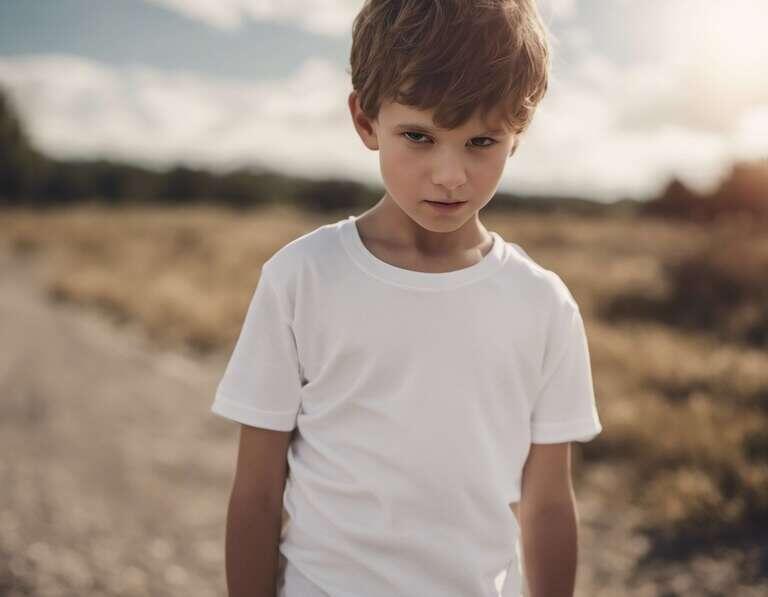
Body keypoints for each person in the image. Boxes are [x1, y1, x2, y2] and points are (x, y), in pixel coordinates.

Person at [210, 0, 604, 595]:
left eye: (481, 141)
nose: (450, 175)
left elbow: (548, 500)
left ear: (516, 136)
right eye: (419, 136)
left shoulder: (543, 304)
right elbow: (257, 492)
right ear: (365, 121)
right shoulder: (301, 278)